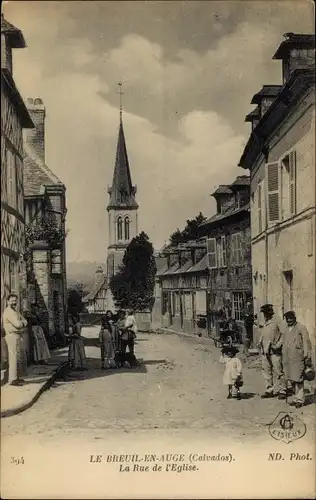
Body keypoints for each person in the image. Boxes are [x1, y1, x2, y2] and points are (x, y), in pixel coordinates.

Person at [282, 311, 312, 408]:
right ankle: (295, 398)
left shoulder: (301, 328)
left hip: (298, 357)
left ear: (294, 319)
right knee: (292, 379)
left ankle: (300, 400)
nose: (289, 321)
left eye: (291, 319)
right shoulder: (286, 329)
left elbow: (306, 342)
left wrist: (307, 355)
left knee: (298, 379)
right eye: (287, 319)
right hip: (287, 358)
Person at [258, 304, 286, 399]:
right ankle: (269, 390)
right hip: (264, 349)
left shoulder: (277, 320)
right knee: (266, 370)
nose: (265, 315)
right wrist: (260, 342)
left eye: (266, 313)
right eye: (264, 313)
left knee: (278, 370)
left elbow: (283, 334)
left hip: (274, 350)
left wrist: (278, 345)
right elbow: (263, 332)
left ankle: (283, 390)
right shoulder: (264, 321)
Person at [2, 293, 28, 386]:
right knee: (13, 357)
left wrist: (22, 323)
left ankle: (18, 377)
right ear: (8, 301)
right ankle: (12, 379)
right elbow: (18, 324)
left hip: (18, 335)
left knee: (19, 357)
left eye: (15, 300)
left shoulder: (15, 311)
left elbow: (25, 321)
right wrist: (22, 324)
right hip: (12, 336)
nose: (14, 302)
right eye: (12, 301)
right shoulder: (8, 312)